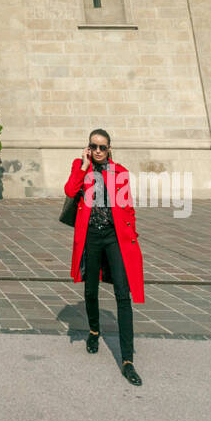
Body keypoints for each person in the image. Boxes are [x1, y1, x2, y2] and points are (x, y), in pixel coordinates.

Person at [64, 130, 144, 386]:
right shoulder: (84, 170)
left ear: (109, 149)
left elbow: (127, 206)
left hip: (114, 238)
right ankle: (94, 331)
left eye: (102, 147)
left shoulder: (120, 172)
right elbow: (69, 190)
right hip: (91, 238)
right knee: (90, 290)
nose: (98, 150)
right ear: (89, 148)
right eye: (94, 146)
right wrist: (82, 164)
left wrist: (130, 234)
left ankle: (128, 360)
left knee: (123, 294)